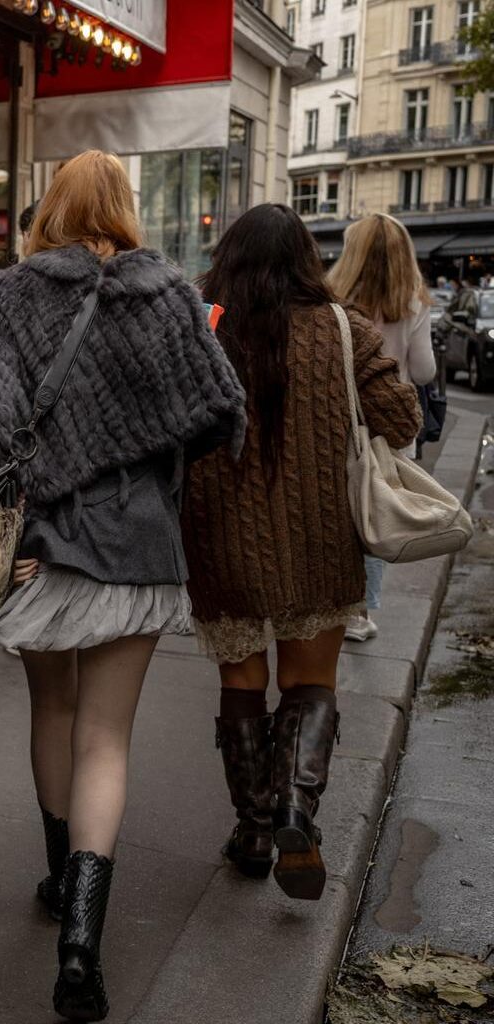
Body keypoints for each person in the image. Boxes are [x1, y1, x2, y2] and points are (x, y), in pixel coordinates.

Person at [0, 150, 247, 1023]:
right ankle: (83, 940)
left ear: (50, 207)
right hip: (140, 542)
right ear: (125, 208)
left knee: (55, 716)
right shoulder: (173, 300)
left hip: (45, 545)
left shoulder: (9, 295)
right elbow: (218, 415)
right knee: (109, 739)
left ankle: (55, 878)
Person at [185, 205, 421, 904]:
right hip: (319, 536)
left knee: (242, 685)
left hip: (221, 535)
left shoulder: (206, 325)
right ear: (304, 260)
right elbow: (403, 420)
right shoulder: (345, 327)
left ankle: (255, 834)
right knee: (311, 683)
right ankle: (296, 809)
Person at [324, 213, 437, 642]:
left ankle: (336, 603)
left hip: (342, 422)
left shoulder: (333, 299)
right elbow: (424, 372)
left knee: (341, 517)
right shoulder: (414, 302)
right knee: (376, 517)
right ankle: (361, 613)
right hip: (390, 428)